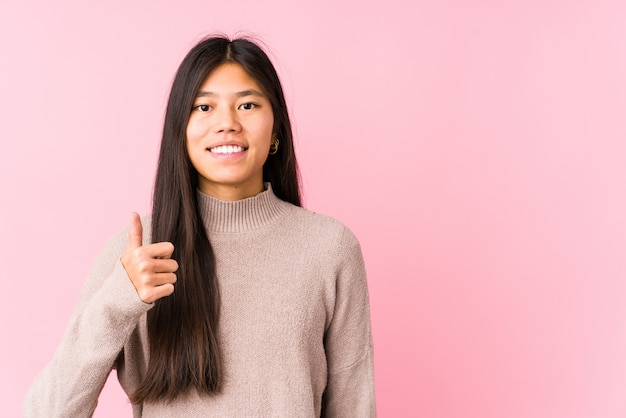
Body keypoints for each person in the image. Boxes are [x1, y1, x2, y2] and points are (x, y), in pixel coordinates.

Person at [24, 35, 376, 417]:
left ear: (276, 128)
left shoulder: (329, 249)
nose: (227, 124)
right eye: (203, 106)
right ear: (181, 130)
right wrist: (118, 300)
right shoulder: (137, 255)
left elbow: (353, 408)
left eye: (248, 104)